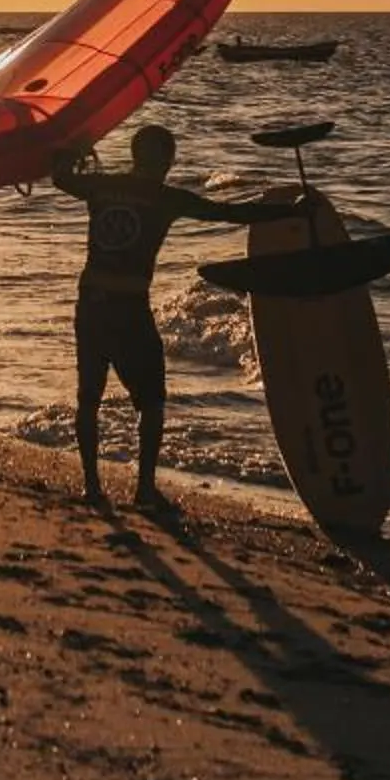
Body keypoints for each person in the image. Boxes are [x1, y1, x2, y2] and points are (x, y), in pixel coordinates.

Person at [50, 126, 293, 511]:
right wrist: (290, 211)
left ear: (134, 155)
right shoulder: (165, 198)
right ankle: (144, 490)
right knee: (151, 402)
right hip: (130, 309)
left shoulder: (100, 185)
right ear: (167, 160)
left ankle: (92, 489)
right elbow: (230, 213)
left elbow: (60, 177)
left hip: (91, 304)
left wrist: (74, 149)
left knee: (89, 398)